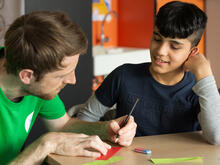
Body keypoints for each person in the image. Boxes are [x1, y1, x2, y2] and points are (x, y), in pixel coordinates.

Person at [0, 11, 137, 165]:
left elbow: (62, 125)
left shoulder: (36, 84)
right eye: (61, 75)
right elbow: (49, 140)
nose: (73, 80)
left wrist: (106, 129)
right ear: (26, 76)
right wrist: (44, 145)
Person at [75, 1, 220, 144]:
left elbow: (216, 137)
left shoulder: (199, 87)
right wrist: (106, 131)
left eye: (174, 46)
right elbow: (82, 122)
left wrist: (205, 74)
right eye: (157, 39)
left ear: (192, 52)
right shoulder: (123, 76)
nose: (160, 51)